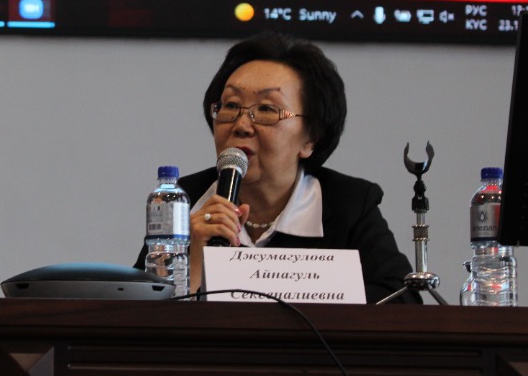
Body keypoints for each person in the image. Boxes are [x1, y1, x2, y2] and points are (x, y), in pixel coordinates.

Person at [134, 31, 420, 304]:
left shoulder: (347, 204)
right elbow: (133, 313)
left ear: (310, 138)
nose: (241, 125)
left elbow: (402, 300)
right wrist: (191, 264)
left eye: (267, 110)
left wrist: (305, 291)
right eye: (230, 105)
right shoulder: (182, 201)